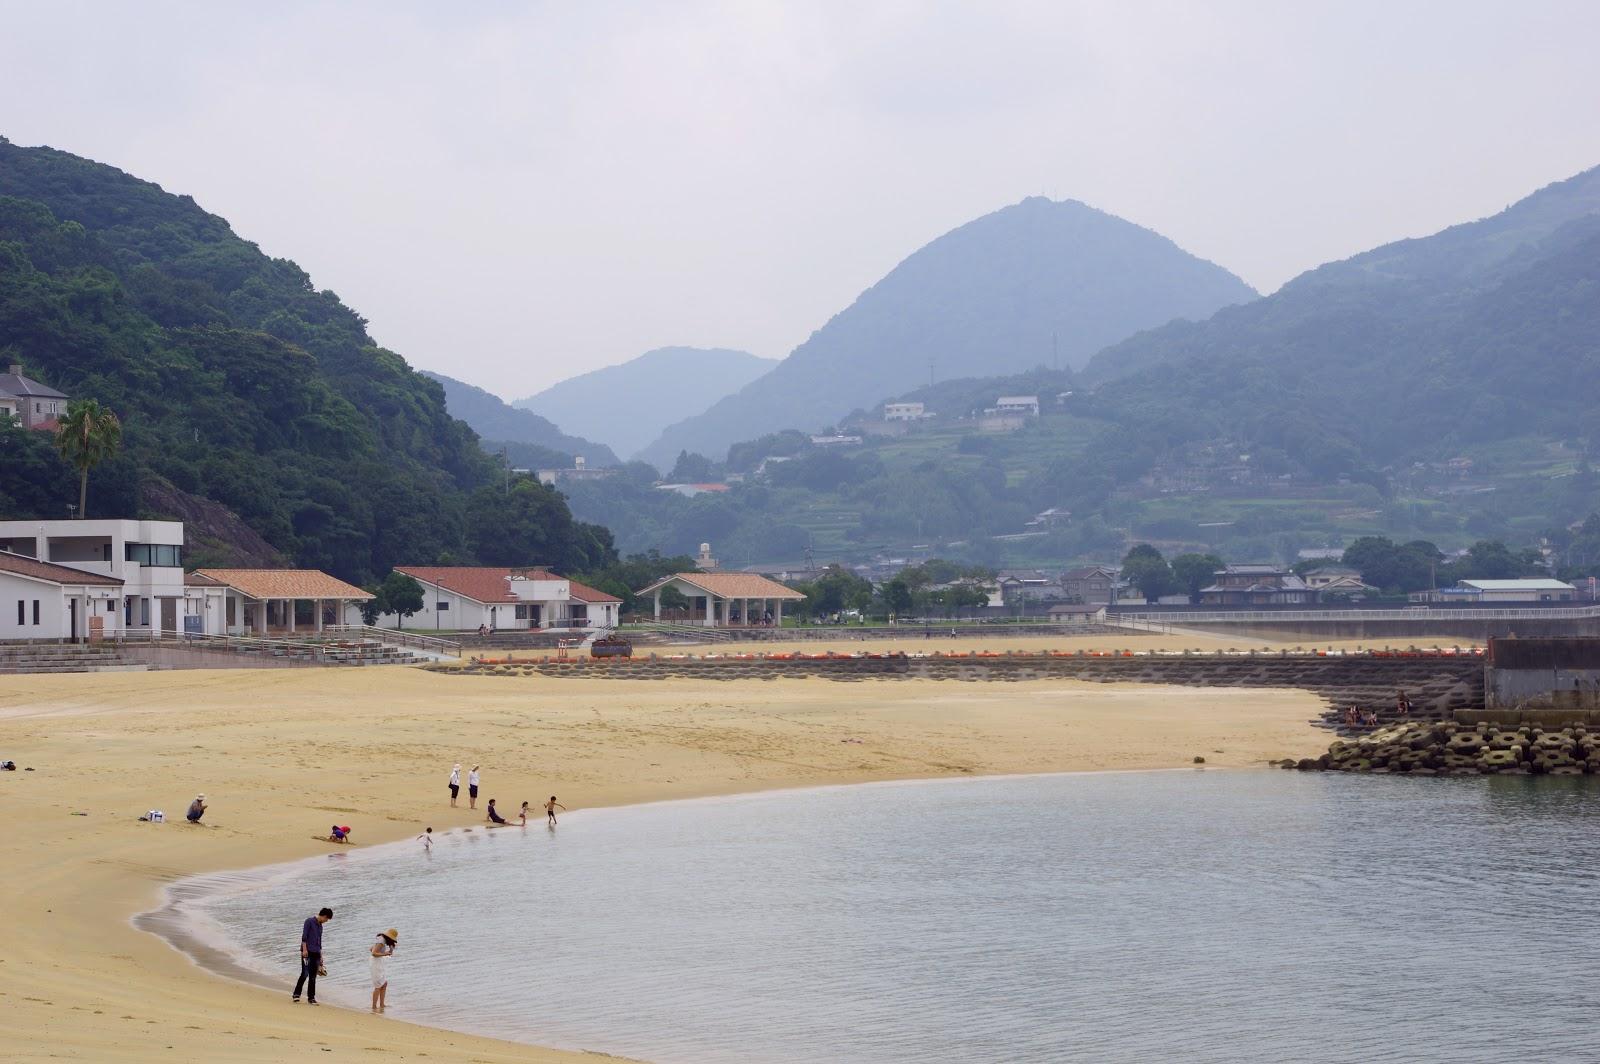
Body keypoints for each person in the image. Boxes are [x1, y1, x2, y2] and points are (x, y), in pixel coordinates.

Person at [293, 907, 333, 1004]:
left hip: (316, 953)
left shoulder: (320, 926)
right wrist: (304, 949)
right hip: (306, 953)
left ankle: (311, 998)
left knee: (313, 976)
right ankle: (296, 994)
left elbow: (319, 942)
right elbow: (304, 936)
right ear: (323, 916)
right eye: (326, 919)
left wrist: (321, 956)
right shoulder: (309, 921)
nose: (326, 921)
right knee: (305, 973)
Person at [370, 928, 398, 1012]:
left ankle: (382, 1004)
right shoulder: (381, 941)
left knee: (384, 984)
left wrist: (386, 952)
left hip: (378, 962)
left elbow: (371, 949)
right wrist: (385, 953)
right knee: (378, 985)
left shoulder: (382, 940)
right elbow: (373, 953)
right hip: (376, 963)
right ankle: (374, 1007)